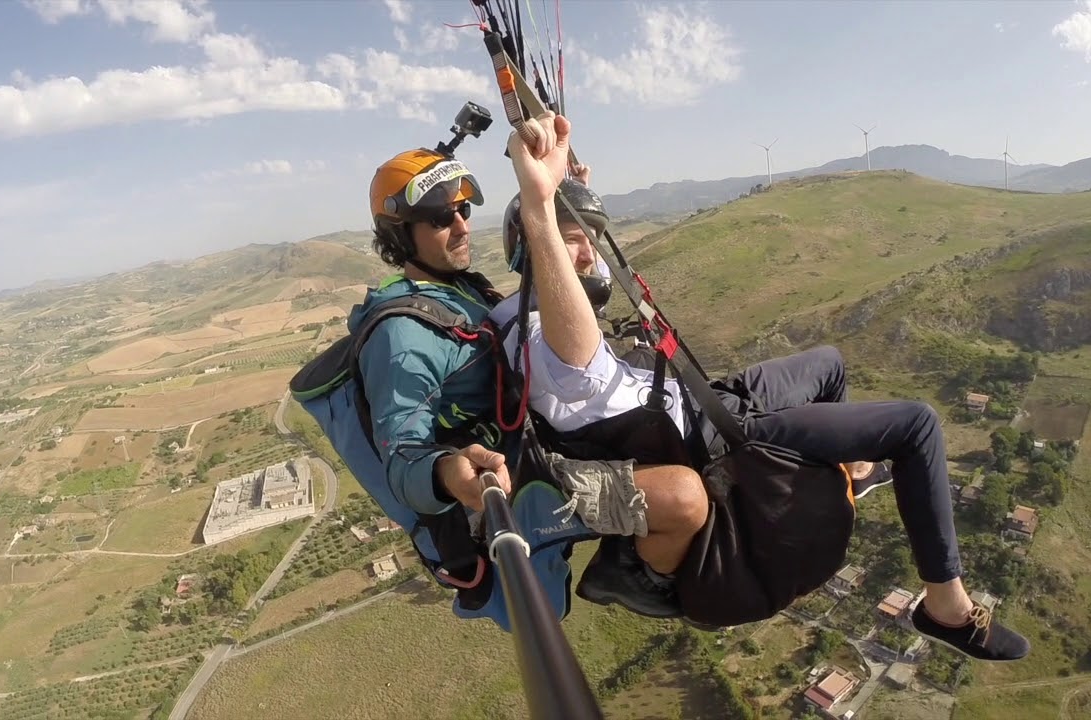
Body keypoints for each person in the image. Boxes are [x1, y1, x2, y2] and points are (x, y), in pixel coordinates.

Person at [494, 110, 1031, 662]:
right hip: (712, 440)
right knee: (915, 426)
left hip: (706, 403)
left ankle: (851, 470)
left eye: (592, 241)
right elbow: (575, 346)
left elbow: (578, 282)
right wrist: (539, 202)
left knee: (829, 366)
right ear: (534, 251)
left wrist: (573, 189)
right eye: (572, 243)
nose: (588, 254)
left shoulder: (542, 308)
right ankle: (945, 607)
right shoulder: (538, 327)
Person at [355, 145, 704, 621]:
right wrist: (445, 471)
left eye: (462, 210)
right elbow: (400, 461)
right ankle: (635, 573)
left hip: (538, 446)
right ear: (400, 234)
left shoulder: (461, 293)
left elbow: (569, 301)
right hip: (509, 488)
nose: (461, 226)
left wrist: (568, 197)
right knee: (681, 493)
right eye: (440, 217)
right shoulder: (402, 336)